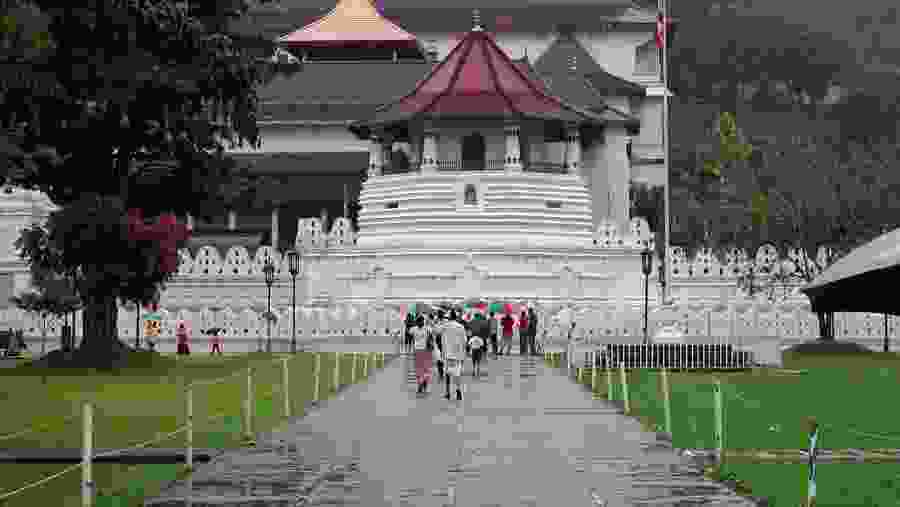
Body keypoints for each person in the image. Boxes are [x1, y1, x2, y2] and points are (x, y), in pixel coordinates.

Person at [441, 310, 467, 401]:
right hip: (458, 354)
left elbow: (437, 333)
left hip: (447, 354)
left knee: (447, 374)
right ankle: (458, 391)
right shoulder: (461, 327)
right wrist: (463, 354)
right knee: (457, 374)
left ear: (449, 317)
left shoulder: (445, 326)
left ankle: (447, 393)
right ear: (456, 317)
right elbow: (464, 341)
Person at [411, 316, 432, 394]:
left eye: (421, 321)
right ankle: (422, 383)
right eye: (421, 321)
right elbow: (431, 337)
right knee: (423, 369)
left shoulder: (414, 329)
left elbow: (410, 334)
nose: (421, 323)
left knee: (420, 368)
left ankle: (421, 383)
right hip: (422, 350)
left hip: (420, 350)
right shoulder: (427, 329)